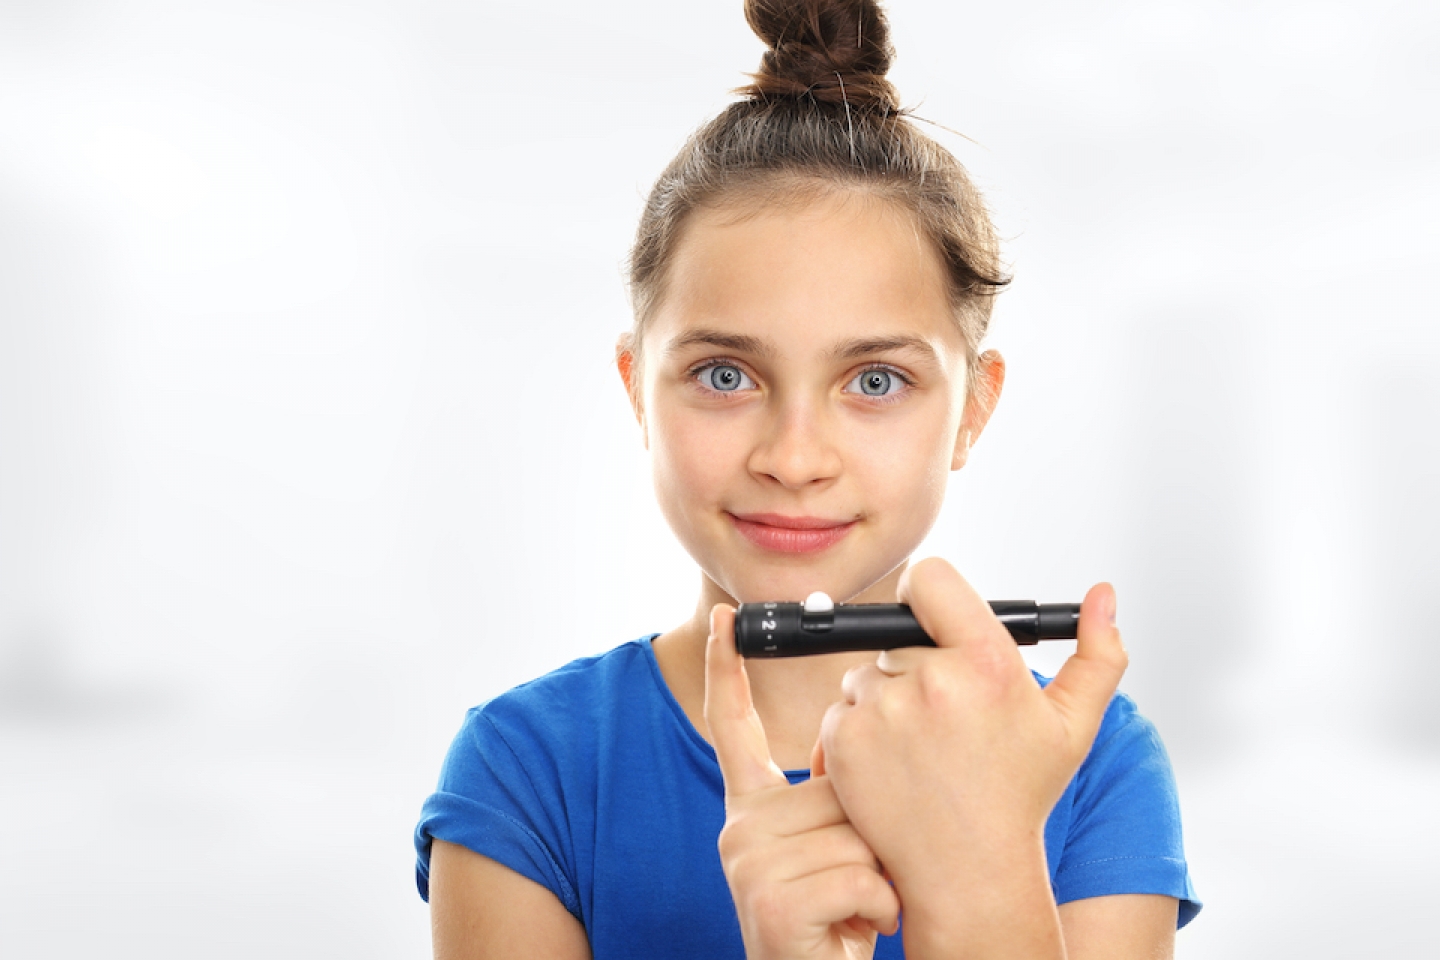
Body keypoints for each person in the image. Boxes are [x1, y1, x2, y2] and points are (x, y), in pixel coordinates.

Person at [414, 1, 1200, 956]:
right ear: (635, 389)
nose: (792, 458)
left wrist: (983, 869)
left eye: (875, 381)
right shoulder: (528, 768)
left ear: (973, 411)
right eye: (725, 375)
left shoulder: (1091, 764)